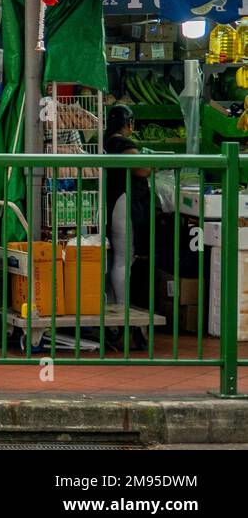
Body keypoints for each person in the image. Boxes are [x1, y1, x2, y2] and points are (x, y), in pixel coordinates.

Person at [103, 103, 150, 352]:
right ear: (128, 123)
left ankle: (115, 313)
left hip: (114, 203)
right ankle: (123, 316)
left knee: (116, 259)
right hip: (123, 202)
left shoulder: (107, 142)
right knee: (123, 258)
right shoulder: (120, 143)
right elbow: (141, 168)